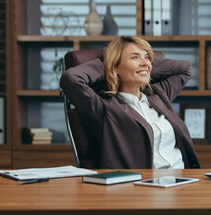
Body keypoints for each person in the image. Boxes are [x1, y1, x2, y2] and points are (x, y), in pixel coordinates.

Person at [60, 36, 200, 169]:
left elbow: (185, 69)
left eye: (147, 57)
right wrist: (108, 66)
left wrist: (144, 68)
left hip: (183, 179)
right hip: (143, 185)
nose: (145, 62)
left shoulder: (158, 94)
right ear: (115, 67)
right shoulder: (104, 107)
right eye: (134, 57)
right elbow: (71, 79)